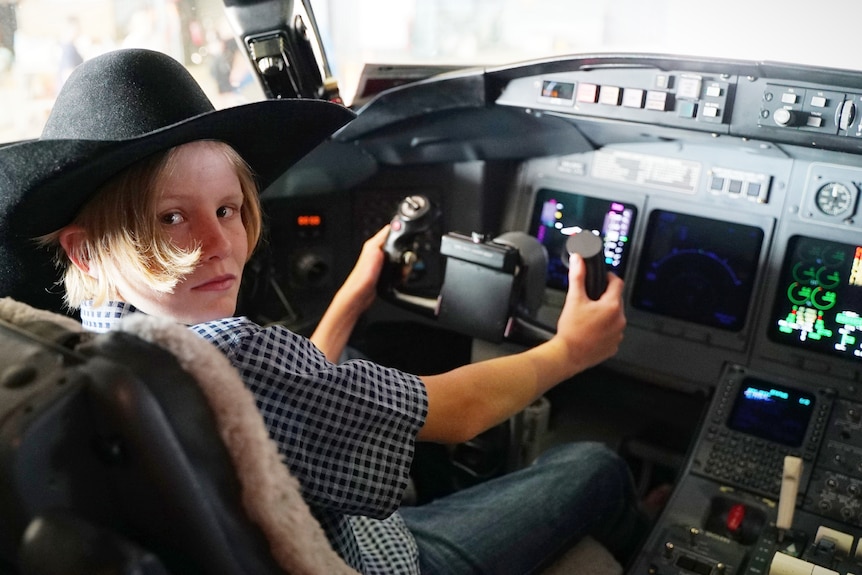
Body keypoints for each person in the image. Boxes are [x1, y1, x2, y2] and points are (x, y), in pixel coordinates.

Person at [0, 48, 643, 574]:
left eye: (227, 209)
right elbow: (456, 412)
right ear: (86, 251)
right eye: (172, 219)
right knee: (596, 466)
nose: (221, 244)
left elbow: (283, 392)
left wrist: (352, 296)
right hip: (381, 560)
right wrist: (572, 350)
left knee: (355, 357)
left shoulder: (98, 341)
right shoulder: (235, 352)